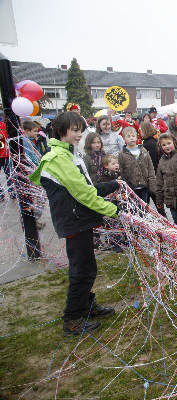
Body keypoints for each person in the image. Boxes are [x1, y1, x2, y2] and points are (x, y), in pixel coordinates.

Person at [28, 111, 119, 336]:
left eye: (81, 129)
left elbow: (86, 188)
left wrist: (113, 185)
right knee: (81, 270)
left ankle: (86, 306)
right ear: (62, 131)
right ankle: (73, 320)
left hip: (79, 219)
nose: (79, 134)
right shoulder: (58, 158)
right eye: (75, 130)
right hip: (73, 221)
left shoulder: (69, 154)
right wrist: (113, 210)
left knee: (87, 268)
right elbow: (82, 194)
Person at [118, 127, 156, 203]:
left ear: (136, 137)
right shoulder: (122, 154)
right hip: (131, 187)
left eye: (133, 136)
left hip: (144, 185)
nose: (131, 138)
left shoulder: (143, 150)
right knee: (135, 208)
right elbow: (121, 170)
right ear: (124, 138)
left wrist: (152, 182)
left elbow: (150, 167)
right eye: (128, 136)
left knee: (145, 206)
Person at [140, 121, 166, 217]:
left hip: (152, 176)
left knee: (154, 201)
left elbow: (152, 161)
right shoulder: (152, 141)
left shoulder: (149, 144)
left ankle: (164, 220)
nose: (140, 133)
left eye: (141, 131)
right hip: (154, 175)